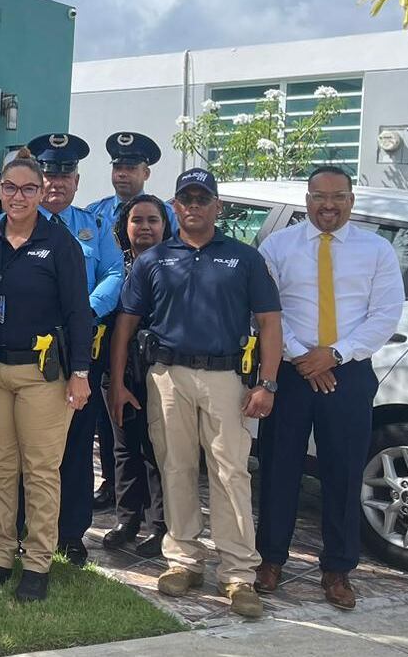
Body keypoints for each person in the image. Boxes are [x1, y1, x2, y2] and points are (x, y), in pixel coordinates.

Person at [108, 167, 282, 619]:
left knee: (231, 473)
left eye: (202, 199)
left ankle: (239, 572)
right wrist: (120, 382)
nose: (193, 207)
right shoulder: (154, 259)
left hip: (225, 378)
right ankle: (183, 560)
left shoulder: (245, 259)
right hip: (166, 376)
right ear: (176, 206)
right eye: (185, 199)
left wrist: (267, 383)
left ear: (217, 206)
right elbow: (125, 324)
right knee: (175, 467)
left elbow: (268, 323)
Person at [256, 166, 404, 610]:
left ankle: (338, 569)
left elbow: (385, 314)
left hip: (348, 371)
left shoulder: (376, 250)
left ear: (351, 200)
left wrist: (335, 354)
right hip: (289, 369)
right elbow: (265, 311)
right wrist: (304, 356)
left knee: (343, 472)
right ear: (307, 199)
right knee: (279, 467)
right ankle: (271, 560)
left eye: (337, 196)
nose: (328, 205)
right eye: (320, 196)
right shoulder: (278, 246)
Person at [0, 158, 92, 602]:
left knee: (39, 470)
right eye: (11, 188)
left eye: (29, 189)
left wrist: (80, 373)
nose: (19, 197)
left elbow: (79, 312)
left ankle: (37, 562)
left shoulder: (59, 243)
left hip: (43, 376)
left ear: (42, 192)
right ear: (0, 191)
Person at [27, 132, 123, 566]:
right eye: (48, 173)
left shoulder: (94, 226)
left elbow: (115, 273)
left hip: (78, 352)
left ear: (77, 180)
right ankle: (22, 527)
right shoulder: (20, 222)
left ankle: (71, 533)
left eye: (64, 174)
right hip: (29, 350)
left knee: (77, 446)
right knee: (27, 444)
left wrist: (84, 311)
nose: (56, 182)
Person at [100, 194, 171, 557]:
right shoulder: (115, 267)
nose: (144, 227)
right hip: (119, 370)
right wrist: (117, 380)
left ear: (164, 226)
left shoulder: (176, 264)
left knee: (158, 452)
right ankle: (127, 521)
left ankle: (160, 528)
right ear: (123, 227)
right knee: (125, 448)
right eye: (136, 220)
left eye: (152, 220)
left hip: (162, 372)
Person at [86, 131, 178, 238]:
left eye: (130, 168)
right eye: (117, 167)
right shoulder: (94, 212)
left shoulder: (166, 213)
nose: (122, 174)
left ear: (146, 174)